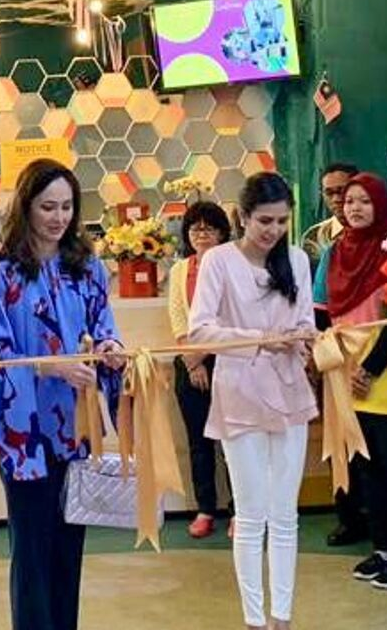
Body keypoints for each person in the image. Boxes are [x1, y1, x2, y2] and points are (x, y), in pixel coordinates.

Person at [0, 160, 126, 630]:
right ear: (26, 207)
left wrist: (110, 351)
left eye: (66, 207)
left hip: (74, 427)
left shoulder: (88, 268)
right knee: (32, 550)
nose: (58, 217)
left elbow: (105, 327)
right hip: (24, 433)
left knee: (68, 548)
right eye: (47, 207)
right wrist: (49, 365)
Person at [187, 172, 317, 630]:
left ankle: (282, 617)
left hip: (289, 392)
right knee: (251, 512)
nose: (274, 230)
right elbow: (198, 330)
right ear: (242, 216)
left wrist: (304, 339)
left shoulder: (298, 260)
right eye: (265, 220)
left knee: (285, 513)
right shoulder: (218, 261)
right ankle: (254, 619)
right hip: (239, 391)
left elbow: (305, 322)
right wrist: (260, 339)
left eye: (282, 221)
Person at [328, 171, 387, 590]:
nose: (355, 208)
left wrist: (371, 369)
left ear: (381, 204)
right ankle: (383, 547)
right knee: (368, 469)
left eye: (365, 200)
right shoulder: (338, 251)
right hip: (350, 376)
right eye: (349, 201)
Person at [307, 161, 370, 548]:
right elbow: (316, 306)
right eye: (330, 194)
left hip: (378, 366)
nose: (339, 202)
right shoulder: (320, 244)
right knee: (339, 442)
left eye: (345, 193)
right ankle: (348, 516)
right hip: (334, 358)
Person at [168, 200, 234, 539]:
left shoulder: (234, 267)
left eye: (209, 227)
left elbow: (229, 317)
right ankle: (206, 508)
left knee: (233, 439)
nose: (202, 234)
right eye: (195, 228)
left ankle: (240, 511)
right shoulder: (180, 270)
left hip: (229, 359)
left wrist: (202, 354)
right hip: (189, 359)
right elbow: (178, 316)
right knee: (199, 441)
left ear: (223, 232)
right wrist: (192, 360)